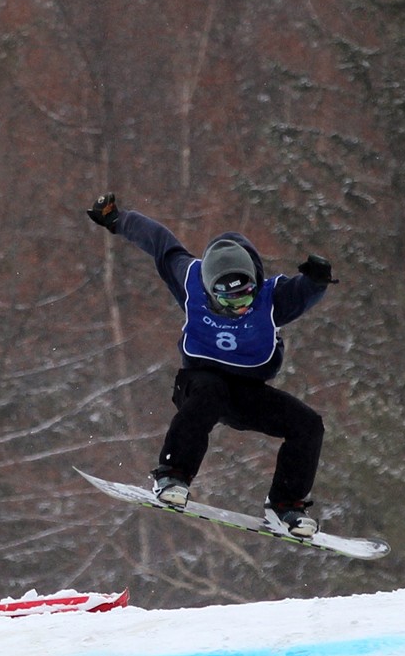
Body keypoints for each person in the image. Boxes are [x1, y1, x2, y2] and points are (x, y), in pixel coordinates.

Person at [86, 192, 334, 538]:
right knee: (208, 391)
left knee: (308, 424)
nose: (241, 307)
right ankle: (172, 475)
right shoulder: (189, 279)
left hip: (248, 394)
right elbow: (160, 242)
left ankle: (286, 506)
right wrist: (117, 220)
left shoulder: (271, 298)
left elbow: (305, 290)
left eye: (247, 295)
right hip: (197, 383)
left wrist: (317, 280)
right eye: (230, 300)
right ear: (210, 291)